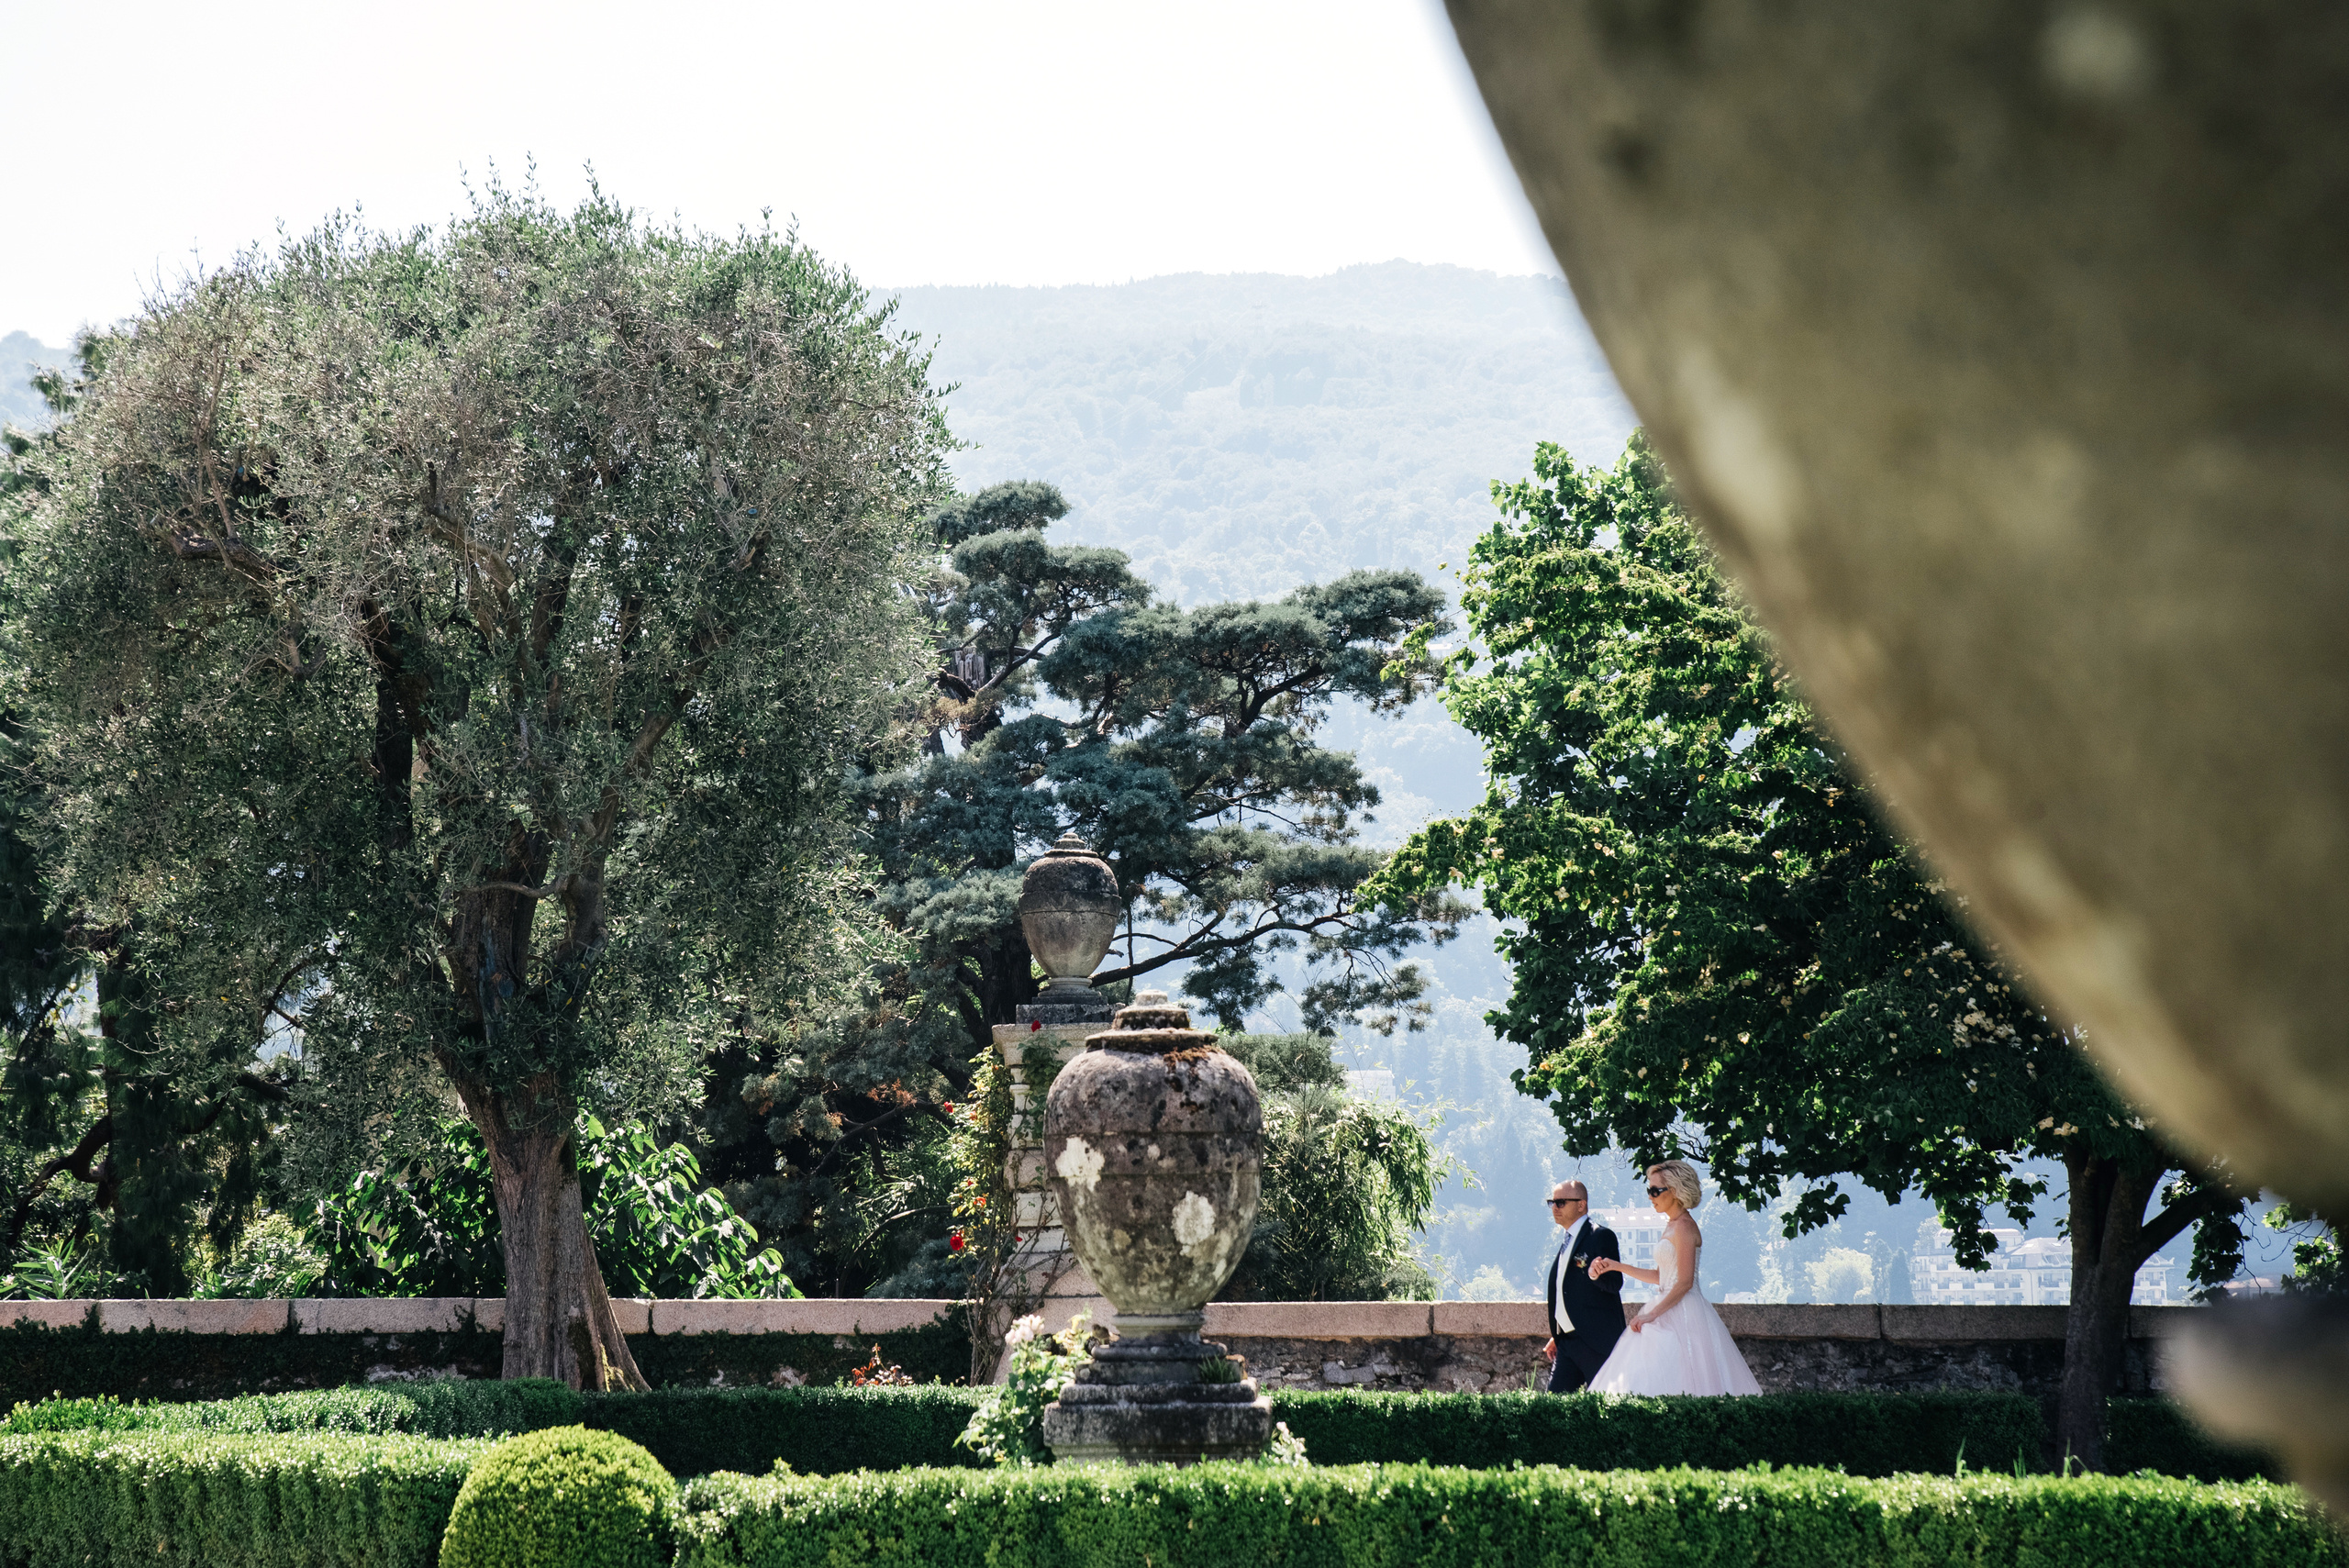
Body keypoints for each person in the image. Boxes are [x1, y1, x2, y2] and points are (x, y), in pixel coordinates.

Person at [1584, 1160, 1762, 1396]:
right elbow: (1661, 1276)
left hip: (1685, 1309)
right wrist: (1617, 1266)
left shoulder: (1685, 1227)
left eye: (1655, 1190)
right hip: (1666, 1303)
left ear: (1676, 1191)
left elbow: (1685, 1282)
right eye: (1649, 1190)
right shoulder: (1672, 1225)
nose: (1650, 1196)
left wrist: (1652, 1315)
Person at [1541, 1180, 1625, 1391]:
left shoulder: (1600, 1236)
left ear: (1581, 1205)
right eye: (1552, 1202)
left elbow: (1615, 1283)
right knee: (1554, 1405)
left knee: (1607, 1401)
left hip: (1596, 1342)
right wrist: (1560, 1331)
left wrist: (1596, 1276)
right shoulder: (1567, 1239)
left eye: (1561, 1202)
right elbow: (1568, 1288)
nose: (1555, 1208)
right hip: (1567, 1342)